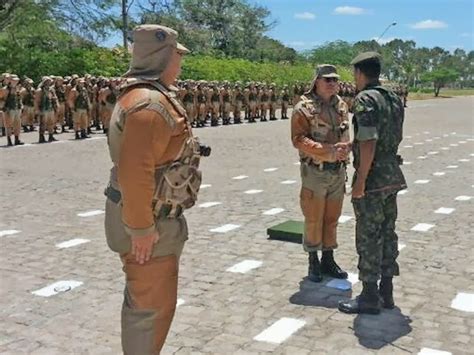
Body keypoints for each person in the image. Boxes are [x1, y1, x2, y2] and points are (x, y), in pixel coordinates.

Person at [104, 24, 205, 354]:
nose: (180, 63)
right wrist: (141, 228)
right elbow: (136, 171)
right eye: (177, 55)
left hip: (152, 217)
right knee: (148, 312)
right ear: (162, 56)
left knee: (150, 306)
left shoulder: (148, 96)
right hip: (148, 224)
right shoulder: (149, 104)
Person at [338, 52, 407, 315]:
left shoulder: (365, 98)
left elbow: (369, 141)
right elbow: (391, 135)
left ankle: (368, 297)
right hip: (392, 174)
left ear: (359, 73)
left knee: (369, 236)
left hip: (374, 178)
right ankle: (386, 292)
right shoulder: (392, 97)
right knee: (388, 233)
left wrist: (361, 181)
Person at [291, 64, 351, 283]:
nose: (332, 83)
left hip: (337, 171)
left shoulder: (341, 105)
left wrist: (346, 151)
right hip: (315, 170)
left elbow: (345, 133)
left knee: (332, 218)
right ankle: (313, 259)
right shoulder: (303, 108)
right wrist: (326, 151)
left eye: (335, 79)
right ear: (316, 81)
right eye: (327, 80)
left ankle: (328, 257)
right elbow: (298, 139)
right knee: (314, 217)